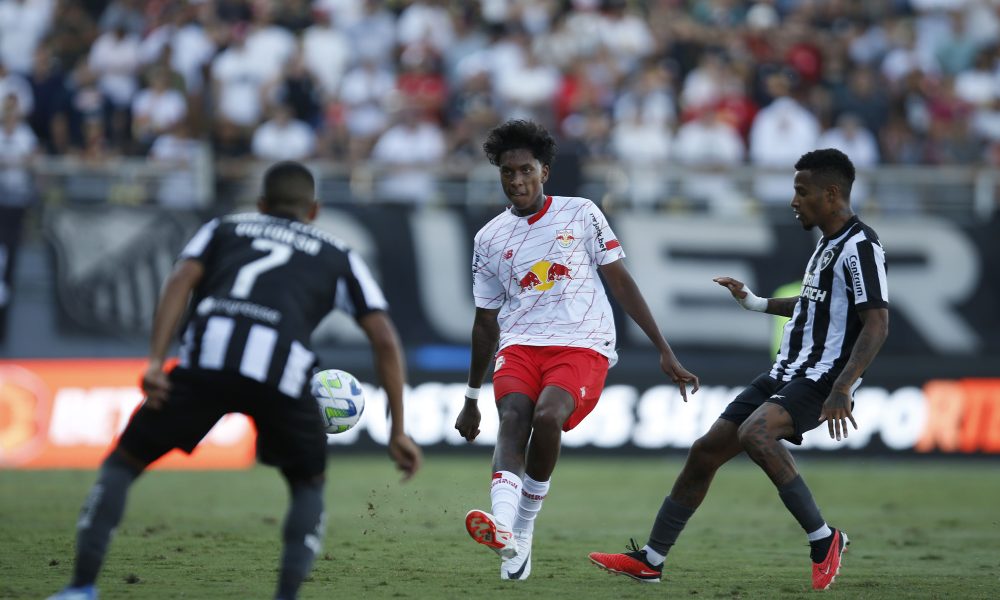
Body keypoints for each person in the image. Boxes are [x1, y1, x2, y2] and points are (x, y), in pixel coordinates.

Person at [49, 161, 423, 600]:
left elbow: (180, 280)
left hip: (208, 359)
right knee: (307, 484)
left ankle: (80, 588)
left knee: (123, 463)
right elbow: (384, 338)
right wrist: (397, 429)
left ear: (261, 204)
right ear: (314, 210)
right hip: (282, 373)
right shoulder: (338, 255)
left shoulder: (224, 228)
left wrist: (155, 360)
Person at [588, 148, 889, 591]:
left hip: (820, 377)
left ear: (831, 193)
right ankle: (651, 559)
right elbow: (812, 306)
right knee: (705, 452)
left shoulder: (861, 246)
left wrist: (843, 386)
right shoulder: (826, 244)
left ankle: (824, 539)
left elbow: (877, 322)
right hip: (787, 370)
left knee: (755, 433)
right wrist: (755, 302)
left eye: (801, 192)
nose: (793, 201)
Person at [454, 119, 699, 581]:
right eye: (508, 173)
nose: (517, 181)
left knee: (547, 417)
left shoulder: (581, 213)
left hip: (582, 343)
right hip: (521, 343)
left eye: (525, 170)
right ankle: (503, 528)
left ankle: (522, 528)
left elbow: (621, 282)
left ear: (544, 171)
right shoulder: (488, 239)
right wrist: (470, 398)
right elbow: (485, 321)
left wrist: (664, 350)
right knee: (512, 418)